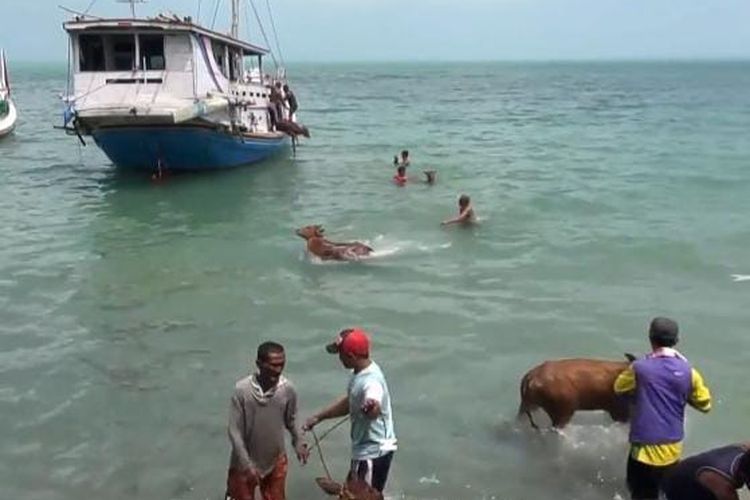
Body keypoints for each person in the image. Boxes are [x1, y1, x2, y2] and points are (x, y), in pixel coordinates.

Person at [614, 317, 712, 500]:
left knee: (639, 493)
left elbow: (619, 388)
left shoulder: (638, 368)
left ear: (651, 339)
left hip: (642, 451)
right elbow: (705, 405)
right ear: (676, 342)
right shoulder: (690, 372)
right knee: (667, 493)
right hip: (672, 450)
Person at [303, 328, 397, 494]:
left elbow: (374, 407)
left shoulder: (371, 381)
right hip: (364, 451)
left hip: (373, 453)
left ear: (351, 357)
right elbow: (350, 402)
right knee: (353, 492)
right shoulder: (360, 372)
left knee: (360, 496)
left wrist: (371, 408)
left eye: (340, 354)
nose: (339, 359)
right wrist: (319, 417)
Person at [226, 342, 309, 500]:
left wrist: (299, 442)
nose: (278, 370)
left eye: (282, 365)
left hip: (275, 460)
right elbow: (234, 431)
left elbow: (291, 420)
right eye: (273, 365)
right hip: (244, 461)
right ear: (259, 364)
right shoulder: (242, 390)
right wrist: (246, 464)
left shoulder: (287, 390)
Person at [661, 443, 750, 500]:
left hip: (691, 471)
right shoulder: (723, 485)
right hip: (678, 486)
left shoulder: (744, 448)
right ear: (743, 475)